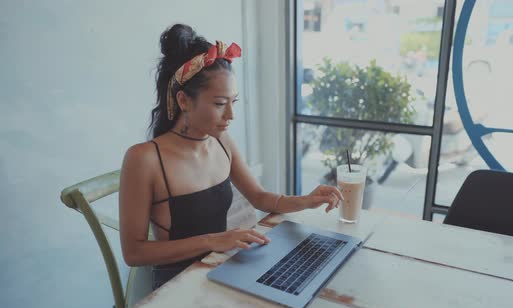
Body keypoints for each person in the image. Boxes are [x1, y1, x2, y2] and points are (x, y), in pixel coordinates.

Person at [119, 24, 344, 289]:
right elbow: (134, 253)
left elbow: (259, 198)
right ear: (183, 101)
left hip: (222, 269)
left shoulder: (221, 142)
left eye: (233, 102)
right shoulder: (144, 159)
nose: (231, 116)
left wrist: (306, 201)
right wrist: (213, 240)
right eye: (219, 104)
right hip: (179, 285)